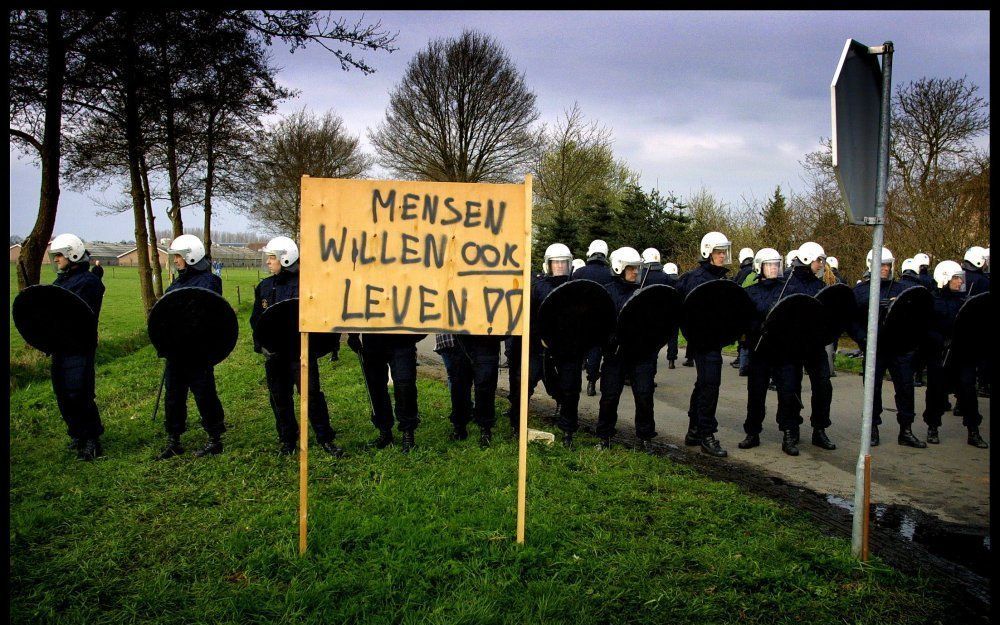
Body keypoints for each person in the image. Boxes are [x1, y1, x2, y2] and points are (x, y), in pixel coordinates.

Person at [250, 236, 344, 457]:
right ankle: (287, 440)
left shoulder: (306, 285)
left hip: (300, 353)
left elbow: (321, 316)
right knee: (279, 398)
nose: (268, 262)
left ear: (285, 258)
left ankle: (325, 439)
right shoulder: (264, 286)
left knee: (311, 396)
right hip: (274, 354)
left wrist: (320, 344)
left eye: (271, 257)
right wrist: (260, 345)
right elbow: (256, 320)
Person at [155, 234, 228, 460]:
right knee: (174, 396)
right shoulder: (177, 282)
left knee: (204, 394)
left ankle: (215, 438)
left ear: (191, 256)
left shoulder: (209, 281)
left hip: (198, 351)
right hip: (176, 351)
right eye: (175, 256)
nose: (175, 260)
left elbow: (207, 314)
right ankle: (174, 439)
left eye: (179, 256)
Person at [848, 246, 926, 448]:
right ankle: (872, 429)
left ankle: (906, 430)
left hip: (899, 347)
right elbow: (851, 321)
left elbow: (913, 317)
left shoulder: (901, 289)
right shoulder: (860, 291)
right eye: (881, 264)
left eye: (887, 265)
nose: (884, 268)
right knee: (872, 391)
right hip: (874, 349)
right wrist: (863, 339)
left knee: (906, 389)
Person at [509, 243, 584, 446]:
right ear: (548, 264)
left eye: (563, 262)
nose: (560, 266)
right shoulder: (537, 286)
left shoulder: (576, 288)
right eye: (556, 262)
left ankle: (568, 431)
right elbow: (528, 317)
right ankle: (517, 425)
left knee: (569, 389)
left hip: (567, 350)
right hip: (538, 348)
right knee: (523, 385)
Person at [47, 234, 106, 460]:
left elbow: (76, 315)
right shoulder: (60, 281)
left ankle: (92, 439)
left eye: (60, 255)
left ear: (73, 254)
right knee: (62, 393)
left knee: (79, 393)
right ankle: (77, 433)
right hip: (60, 346)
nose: (56, 259)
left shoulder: (89, 282)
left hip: (79, 346)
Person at [675, 231, 734, 457]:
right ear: (707, 252)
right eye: (719, 252)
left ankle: (694, 429)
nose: (722, 256)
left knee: (704, 383)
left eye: (724, 252)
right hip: (703, 340)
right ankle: (707, 435)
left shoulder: (721, 278)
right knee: (710, 384)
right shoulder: (695, 278)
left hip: (715, 339)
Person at [595, 247, 659, 452]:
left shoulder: (643, 292)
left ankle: (646, 436)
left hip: (641, 355)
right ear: (619, 267)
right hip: (615, 355)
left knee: (644, 394)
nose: (635, 272)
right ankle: (604, 436)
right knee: (610, 396)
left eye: (637, 268)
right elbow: (599, 324)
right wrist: (609, 340)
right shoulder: (606, 292)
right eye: (631, 268)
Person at [738, 248, 801, 454]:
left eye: (776, 264)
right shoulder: (751, 292)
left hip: (784, 351)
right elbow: (745, 320)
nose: (773, 268)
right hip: (760, 351)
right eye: (769, 264)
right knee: (756, 393)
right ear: (760, 267)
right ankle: (752, 432)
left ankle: (789, 433)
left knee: (788, 392)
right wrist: (757, 327)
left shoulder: (789, 289)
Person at [921, 261, 988, 448]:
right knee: (935, 392)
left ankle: (973, 430)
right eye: (956, 278)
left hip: (962, 354)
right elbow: (926, 329)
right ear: (945, 279)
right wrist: (939, 340)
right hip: (940, 356)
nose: (960, 282)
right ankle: (933, 427)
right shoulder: (933, 302)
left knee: (968, 391)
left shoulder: (964, 301)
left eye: (960, 278)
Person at [782, 241, 837, 452]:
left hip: (814, 345)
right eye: (819, 260)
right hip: (791, 345)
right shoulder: (788, 285)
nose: (822, 264)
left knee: (823, 385)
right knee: (790, 388)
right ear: (806, 259)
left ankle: (820, 429)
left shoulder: (820, 287)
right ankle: (790, 430)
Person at [436, 331, 503, 447]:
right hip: (460, 339)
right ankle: (460, 427)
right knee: (459, 384)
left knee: (485, 384)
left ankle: (485, 429)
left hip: (486, 338)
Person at [573, 239, 615, 397]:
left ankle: (575, 382)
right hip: (602, 318)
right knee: (596, 349)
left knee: (581, 350)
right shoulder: (610, 273)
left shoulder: (579, 272)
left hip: (581, 318)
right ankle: (592, 381)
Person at [731, 247, 756, 375]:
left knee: (743, 337)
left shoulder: (742, 273)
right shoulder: (755, 270)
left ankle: (741, 362)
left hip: (743, 307)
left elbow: (736, 288)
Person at [663, 262, 681, 369]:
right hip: (676, 312)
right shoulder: (680, 283)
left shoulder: (664, 283)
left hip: (665, 312)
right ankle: (672, 359)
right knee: (673, 337)